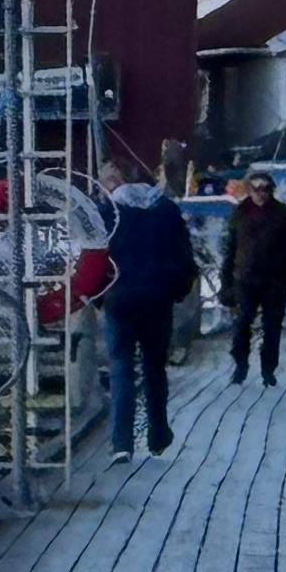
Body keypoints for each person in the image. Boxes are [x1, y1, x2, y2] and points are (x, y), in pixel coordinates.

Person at [100, 171, 192, 457]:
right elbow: (184, 257)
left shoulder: (107, 212)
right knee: (155, 368)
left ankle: (121, 443)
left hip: (119, 300)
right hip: (157, 299)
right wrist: (176, 291)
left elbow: (92, 256)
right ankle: (158, 434)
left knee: (121, 369)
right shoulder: (167, 210)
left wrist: (99, 297)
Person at [218, 173, 286, 386]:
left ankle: (268, 369)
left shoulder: (282, 213)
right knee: (242, 322)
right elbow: (230, 249)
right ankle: (240, 364)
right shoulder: (239, 213)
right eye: (256, 189)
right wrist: (225, 281)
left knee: (272, 325)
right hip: (245, 277)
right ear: (249, 190)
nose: (261, 193)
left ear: (270, 190)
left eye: (265, 189)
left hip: (274, 279)